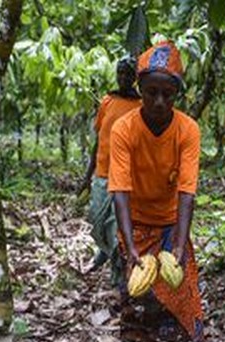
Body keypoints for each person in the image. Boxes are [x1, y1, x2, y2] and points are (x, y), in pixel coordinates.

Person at [108, 41, 203, 342]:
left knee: (179, 297)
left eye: (167, 93)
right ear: (140, 90)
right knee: (134, 302)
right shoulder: (124, 128)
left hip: (171, 223)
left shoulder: (187, 129)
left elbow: (187, 191)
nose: (159, 101)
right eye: (151, 92)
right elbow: (119, 190)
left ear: (176, 93)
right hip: (135, 223)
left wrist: (178, 244)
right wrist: (129, 246)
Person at [83, 57, 141, 283]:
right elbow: (99, 140)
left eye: (128, 74)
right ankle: (106, 250)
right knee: (97, 221)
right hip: (102, 173)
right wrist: (87, 175)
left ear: (135, 78)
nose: (123, 78)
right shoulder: (107, 101)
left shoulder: (140, 106)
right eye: (120, 73)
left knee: (118, 227)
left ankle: (119, 276)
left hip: (125, 177)